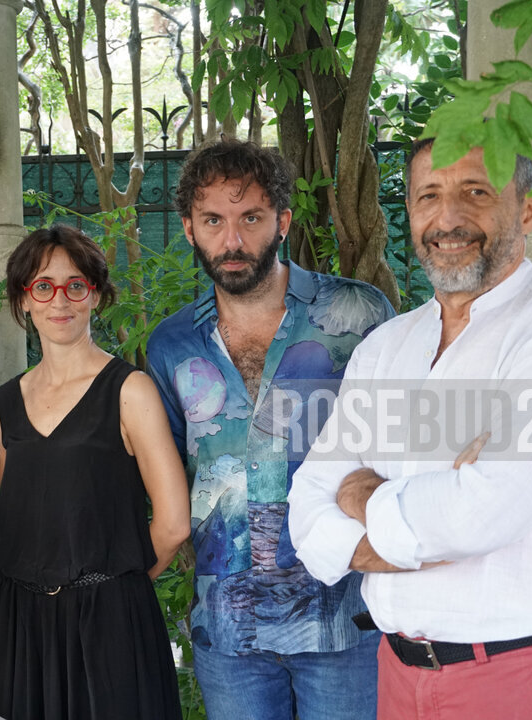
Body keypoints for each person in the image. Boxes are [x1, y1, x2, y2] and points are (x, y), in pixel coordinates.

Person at [288, 138, 532, 719]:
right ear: (410, 214)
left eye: (476, 193)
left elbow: (479, 513)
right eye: (428, 196)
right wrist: (425, 519)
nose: (448, 219)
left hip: (512, 676)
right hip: (395, 675)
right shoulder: (386, 345)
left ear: (528, 207)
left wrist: (362, 492)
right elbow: (309, 506)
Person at [145, 139, 395, 719]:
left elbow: (405, 444)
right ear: (188, 228)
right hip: (228, 633)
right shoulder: (171, 343)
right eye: (213, 220)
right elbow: (172, 475)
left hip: (343, 621)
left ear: (282, 221)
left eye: (250, 218)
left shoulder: (358, 315)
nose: (232, 242)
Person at [0, 225, 190, 720]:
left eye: (76, 285)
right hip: (23, 625)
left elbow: (174, 523)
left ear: (95, 296)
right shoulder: (7, 402)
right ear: (24, 300)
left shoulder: (129, 389)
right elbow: (24, 513)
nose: (61, 300)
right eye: (43, 286)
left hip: (109, 624)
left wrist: (112, 589)